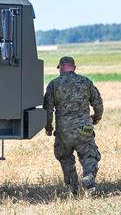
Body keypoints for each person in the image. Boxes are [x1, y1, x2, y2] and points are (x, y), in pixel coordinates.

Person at [43, 56, 103, 194]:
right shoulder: (85, 82)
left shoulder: (54, 84)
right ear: (74, 68)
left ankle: (73, 188)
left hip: (64, 130)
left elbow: (47, 108)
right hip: (84, 128)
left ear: (60, 68)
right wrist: (96, 118)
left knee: (65, 158)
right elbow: (98, 103)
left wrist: (48, 127)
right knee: (89, 155)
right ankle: (88, 177)